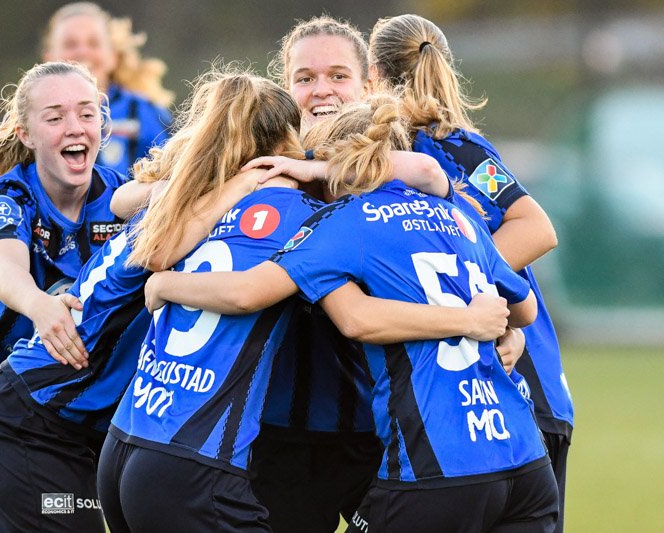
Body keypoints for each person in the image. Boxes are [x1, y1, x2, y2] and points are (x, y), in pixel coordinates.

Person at [98, 69, 512, 532]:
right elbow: (340, 311)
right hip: (196, 458)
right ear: (290, 141)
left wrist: (164, 282)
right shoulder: (315, 218)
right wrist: (475, 321)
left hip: (128, 439)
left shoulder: (195, 201)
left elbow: (122, 205)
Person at [246, 16, 527, 532]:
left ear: (370, 83)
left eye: (338, 75)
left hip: (386, 431)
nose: (321, 90)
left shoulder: (419, 166)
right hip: (280, 429)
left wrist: (499, 325)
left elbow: (500, 243)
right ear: (285, 87)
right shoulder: (261, 167)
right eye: (305, 78)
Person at [0, 167, 264, 531]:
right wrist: (244, 184)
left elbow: (124, 199)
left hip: (75, 427)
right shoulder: (173, 223)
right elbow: (4, 268)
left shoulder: (133, 195)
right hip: (27, 417)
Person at [368, 14, 573, 531]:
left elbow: (537, 228)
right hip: (477, 403)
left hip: (515, 390)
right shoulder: (405, 152)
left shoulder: (447, 147)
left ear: (372, 75)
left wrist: (462, 292)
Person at [0, 61, 126, 533]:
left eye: (86, 113)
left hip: (71, 426)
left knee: (70, 517)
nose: (74, 127)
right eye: (54, 117)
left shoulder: (121, 196)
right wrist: (41, 306)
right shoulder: (8, 197)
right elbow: (5, 270)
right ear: (26, 133)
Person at [0, 1, 173, 323]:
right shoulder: (33, 120)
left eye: (93, 42)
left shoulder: (146, 115)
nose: (83, 51)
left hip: (115, 253)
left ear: (113, 55)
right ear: (50, 57)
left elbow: (175, 184)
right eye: (71, 44)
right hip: (46, 257)